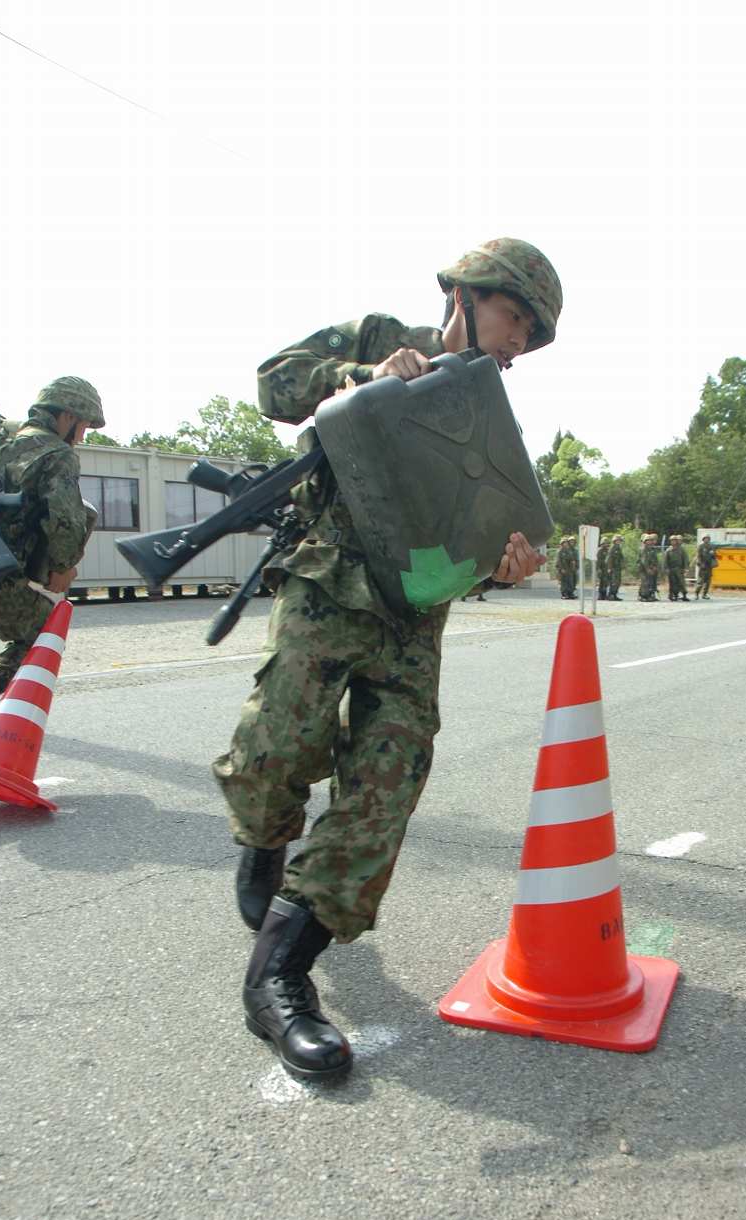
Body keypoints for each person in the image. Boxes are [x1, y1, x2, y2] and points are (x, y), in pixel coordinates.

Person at [213, 238, 562, 1081]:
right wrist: (360, 374)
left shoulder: (491, 421)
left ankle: (281, 977)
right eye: (514, 315)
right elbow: (273, 381)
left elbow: (471, 540)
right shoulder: (379, 334)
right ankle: (266, 840)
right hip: (327, 584)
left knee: (389, 781)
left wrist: (502, 565)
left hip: (410, 622)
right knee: (274, 751)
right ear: (466, 294)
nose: (518, 339)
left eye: (532, 331)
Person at [0, 377, 102, 707]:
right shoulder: (57, 454)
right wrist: (63, 567)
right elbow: (64, 520)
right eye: (83, 427)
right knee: (41, 632)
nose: (81, 436)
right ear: (66, 417)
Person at [664, 535, 689, 602]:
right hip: (671, 569)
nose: (674, 542)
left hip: (680, 569)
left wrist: (686, 568)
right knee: (673, 583)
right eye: (672, 540)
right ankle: (674, 595)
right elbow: (665, 561)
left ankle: (684, 595)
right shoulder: (668, 550)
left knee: (682, 583)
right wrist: (666, 569)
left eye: (675, 540)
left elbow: (685, 559)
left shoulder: (681, 549)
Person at [694, 534, 718, 600]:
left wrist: (713, 553)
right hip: (703, 566)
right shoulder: (701, 546)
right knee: (700, 581)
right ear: (703, 539)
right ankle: (696, 594)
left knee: (708, 582)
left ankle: (704, 594)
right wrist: (700, 564)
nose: (707, 539)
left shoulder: (711, 546)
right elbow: (698, 556)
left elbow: (715, 556)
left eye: (708, 538)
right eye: (705, 538)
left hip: (709, 566)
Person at [636, 533, 659, 602]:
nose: (649, 542)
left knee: (650, 582)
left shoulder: (651, 549)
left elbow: (654, 559)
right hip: (643, 569)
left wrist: (655, 567)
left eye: (650, 540)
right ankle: (642, 596)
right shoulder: (643, 549)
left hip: (650, 568)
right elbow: (644, 560)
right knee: (644, 582)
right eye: (647, 540)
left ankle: (648, 595)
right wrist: (648, 569)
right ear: (644, 541)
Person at [607, 534, 624, 600]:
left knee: (618, 582)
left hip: (618, 568)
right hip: (613, 568)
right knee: (613, 582)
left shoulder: (619, 548)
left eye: (620, 540)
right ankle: (611, 595)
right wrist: (609, 568)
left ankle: (614, 594)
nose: (619, 542)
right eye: (618, 540)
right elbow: (609, 559)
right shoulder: (612, 548)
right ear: (614, 541)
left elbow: (621, 558)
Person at [595, 536, 610, 600]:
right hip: (601, 568)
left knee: (606, 582)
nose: (606, 544)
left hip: (606, 569)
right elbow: (598, 560)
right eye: (604, 543)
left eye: (606, 543)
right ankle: (600, 595)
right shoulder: (599, 550)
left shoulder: (608, 550)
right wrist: (598, 569)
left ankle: (604, 594)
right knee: (601, 582)